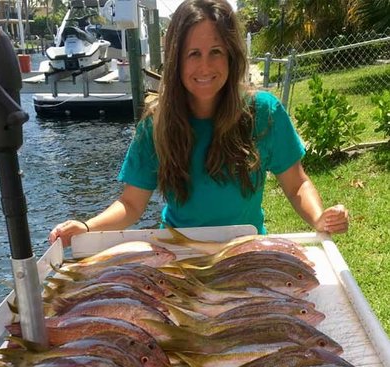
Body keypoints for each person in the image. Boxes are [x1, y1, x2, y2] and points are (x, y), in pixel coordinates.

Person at [49, 0, 349, 247]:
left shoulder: (264, 112)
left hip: (246, 249)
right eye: (193, 54)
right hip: (178, 252)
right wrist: (87, 228)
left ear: (231, 57)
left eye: (215, 52)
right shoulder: (156, 124)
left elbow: (297, 184)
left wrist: (319, 217)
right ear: (176, 60)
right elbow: (131, 204)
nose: (204, 66)